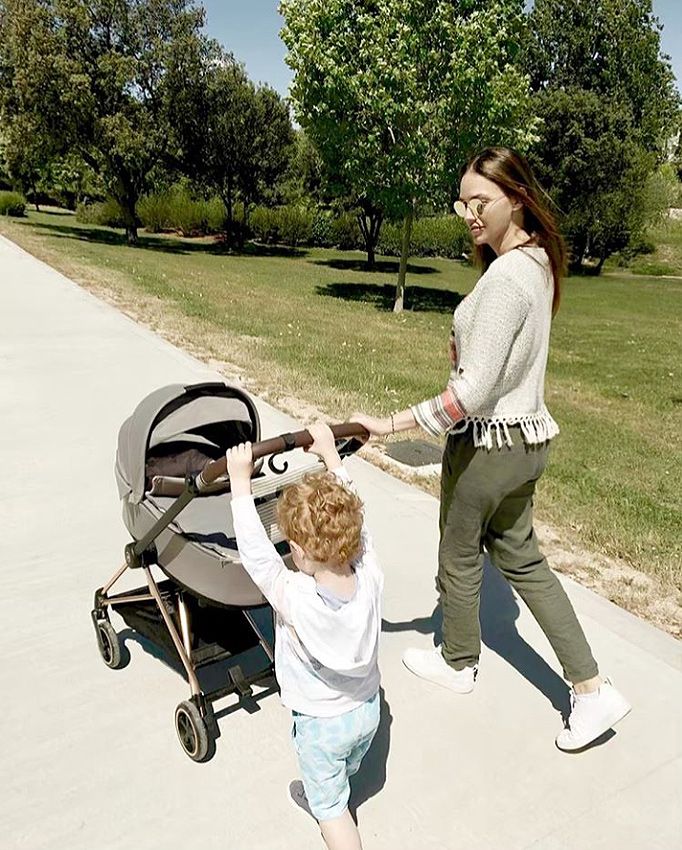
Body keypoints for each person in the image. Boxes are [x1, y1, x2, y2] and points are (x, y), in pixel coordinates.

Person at [351, 146, 630, 752]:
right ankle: (591, 688)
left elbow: (472, 390)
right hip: (526, 441)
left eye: (481, 203)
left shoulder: (506, 278)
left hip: (487, 447)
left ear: (517, 199)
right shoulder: (536, 265)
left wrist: (389, 425)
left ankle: (458, 662)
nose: (470, 216)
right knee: (523, 559)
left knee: (458, 553)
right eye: (463, 205)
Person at [226, 422, 382, 850]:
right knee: (345, 765)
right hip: (367, 708)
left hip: (321, 724)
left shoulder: (297, 598)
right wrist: (332, 457)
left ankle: (327, 805)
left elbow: (259, 559)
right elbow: (362, 532)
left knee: (331, 808)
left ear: (298, 551)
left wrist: (240, 486)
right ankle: (333, 786)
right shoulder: (369, 573)